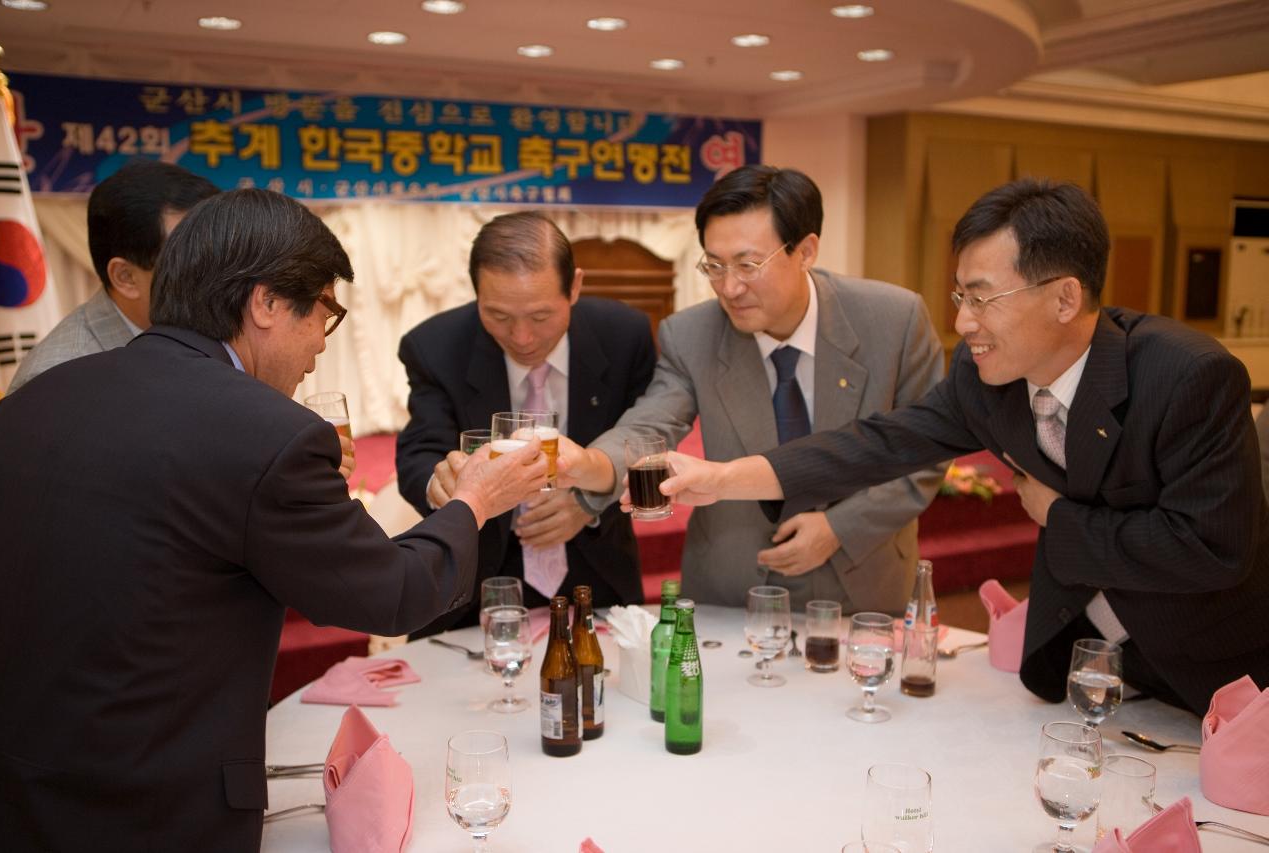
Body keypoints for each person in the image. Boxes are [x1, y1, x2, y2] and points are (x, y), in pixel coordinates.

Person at [0, 189, 549, 851]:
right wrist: (475, 501)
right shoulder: (267, 433)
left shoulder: (32, 398)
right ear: (264, 302)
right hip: (156, 809)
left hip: (18, 790)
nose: (320, 343)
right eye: (325, 312)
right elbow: (391, 592)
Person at [658, 177, 1269, 715]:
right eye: (960, 297)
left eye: (982, 299)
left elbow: (1210, 549)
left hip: (1212, 674)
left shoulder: (1189, 378)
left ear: (1065, 297)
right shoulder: (986, 382)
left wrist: (1058, 517)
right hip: (1091, 664)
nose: (964, 323)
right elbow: (877, 444)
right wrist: (722, 479)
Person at [560, 165, 945, 611]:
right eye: (714, 266)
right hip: (733, 587)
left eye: (748, 265)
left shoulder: (894, 321)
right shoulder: (691, 335)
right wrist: (587, 461)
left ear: (805, 250)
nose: (730, 287)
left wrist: (841, 527)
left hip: (864, 583)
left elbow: (925, 450)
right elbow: (650, 422)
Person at [395, 211, 655, 629]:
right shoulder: (435, 347)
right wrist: (441, 481)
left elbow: (645, 445)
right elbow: (418, 452)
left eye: (539, 317)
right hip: (477, 578)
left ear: (574, 287)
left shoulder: (625, 336)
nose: (522, 338)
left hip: (596, 565)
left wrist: (589, 505)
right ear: (476, 293)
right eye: (498, 316)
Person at [8, 159, 218, 392]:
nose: (218, 272)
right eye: (194, 257)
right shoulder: (57, 379)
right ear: (126, 277)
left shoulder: (217, 327)